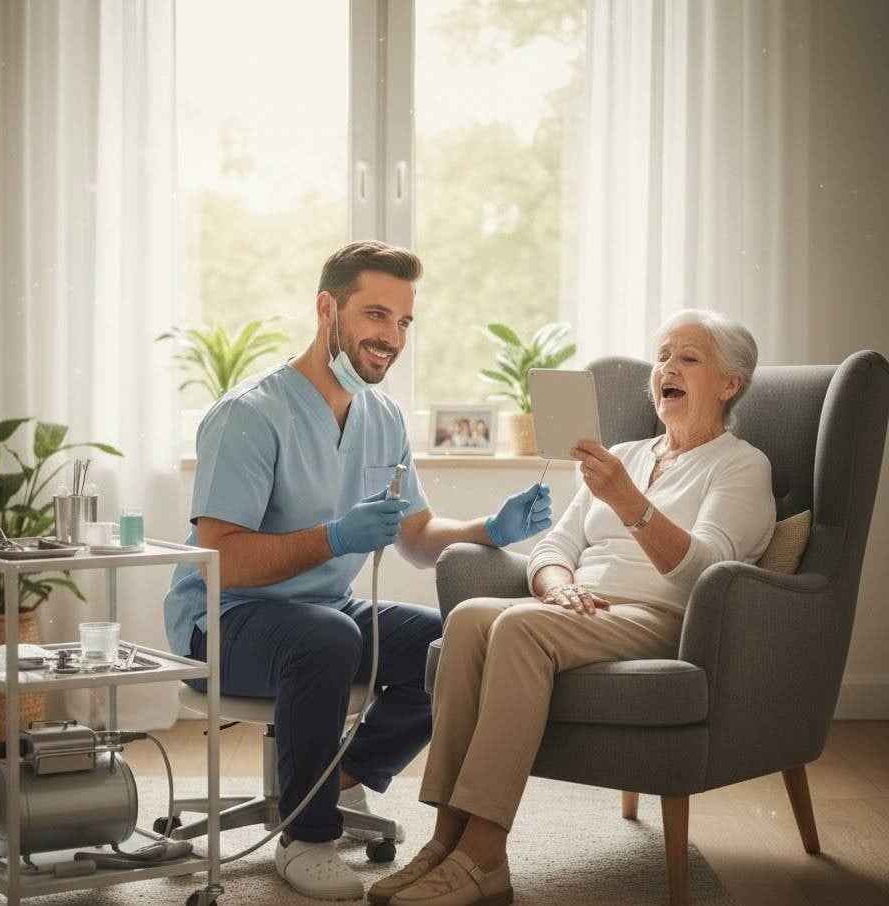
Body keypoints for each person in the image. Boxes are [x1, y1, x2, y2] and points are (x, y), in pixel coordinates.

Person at [164, 241, 552, 901]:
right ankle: (305, 835)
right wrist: (333, 537)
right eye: (376, 315)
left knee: (455, 640)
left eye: (403, 322)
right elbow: (223, 559)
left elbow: (418, 535)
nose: (391, 336)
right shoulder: (249, 417)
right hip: (226, 617)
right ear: (327, 309)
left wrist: (493, 529)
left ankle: (332, 781)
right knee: (329, 638)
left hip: (322, 613)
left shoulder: (383, 417)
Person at [369, 309, 777, 906]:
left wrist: (628, 502)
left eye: (689, 358)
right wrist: (556, 585)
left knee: (518, 630)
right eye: (663, 356)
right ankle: (445, 839)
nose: (668, 367)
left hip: (658, 617)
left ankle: (484, 853)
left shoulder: (740, 465)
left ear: (729, 384)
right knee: (469, 618)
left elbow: (705, 569)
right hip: (580, 610)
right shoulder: (626, 454)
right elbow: (556, 546)